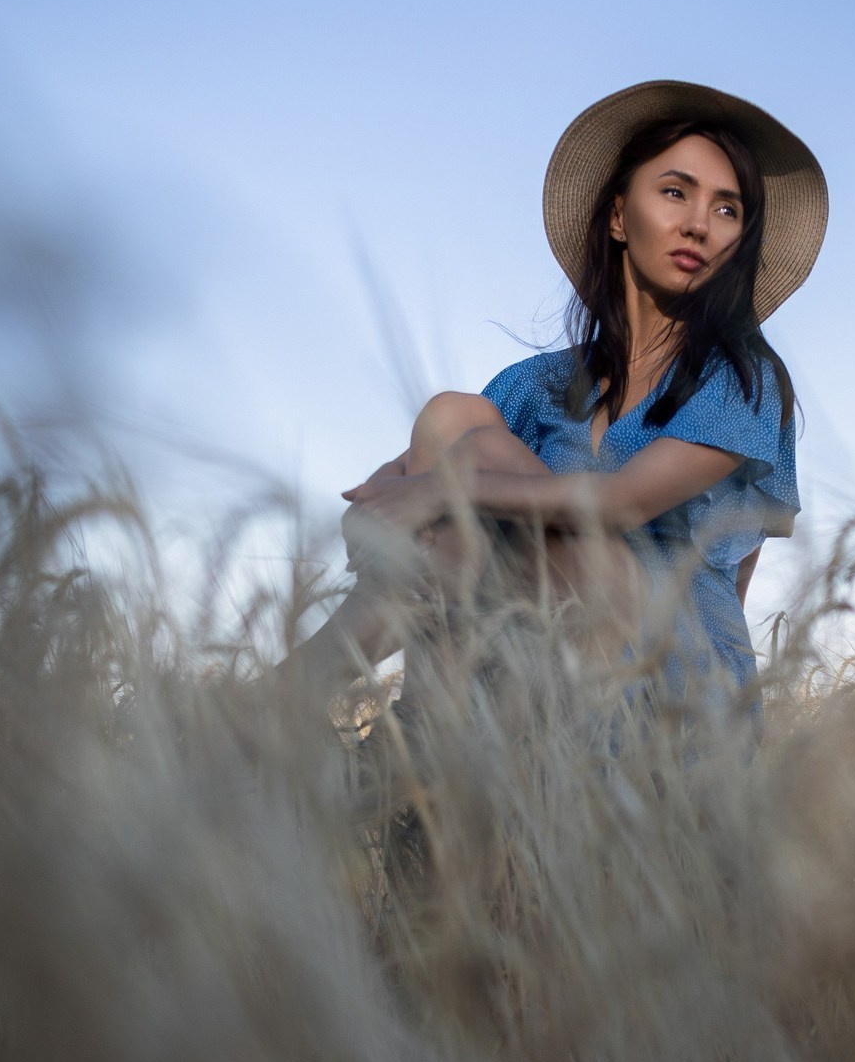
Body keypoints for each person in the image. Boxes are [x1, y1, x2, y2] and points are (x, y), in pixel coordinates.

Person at [283, 80, 827, 717]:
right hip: (541, 666)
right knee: (452, 416)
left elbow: (622, 503)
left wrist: (435, 491)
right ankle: (424, 737)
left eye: (727, 209)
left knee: (473, 467)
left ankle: (291, 706)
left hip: (670, 685)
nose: (699, 225)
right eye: (676, 192)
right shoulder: (539, 384)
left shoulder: (741, 378)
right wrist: (376, 501)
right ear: (619, 217)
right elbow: (419, 469)